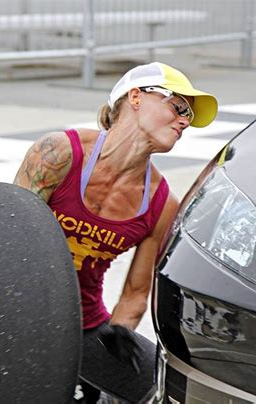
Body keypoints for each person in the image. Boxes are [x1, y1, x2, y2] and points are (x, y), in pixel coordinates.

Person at [13, 62, 218, 403]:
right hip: (20, 311)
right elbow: (6, 235)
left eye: (190, 117)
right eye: (179, 107)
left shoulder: (162, 203)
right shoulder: (58, 153)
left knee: (170, 393)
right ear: (136, 97)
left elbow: (136, 292)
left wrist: (119, 331)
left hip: (84, 324)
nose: (185, 121)